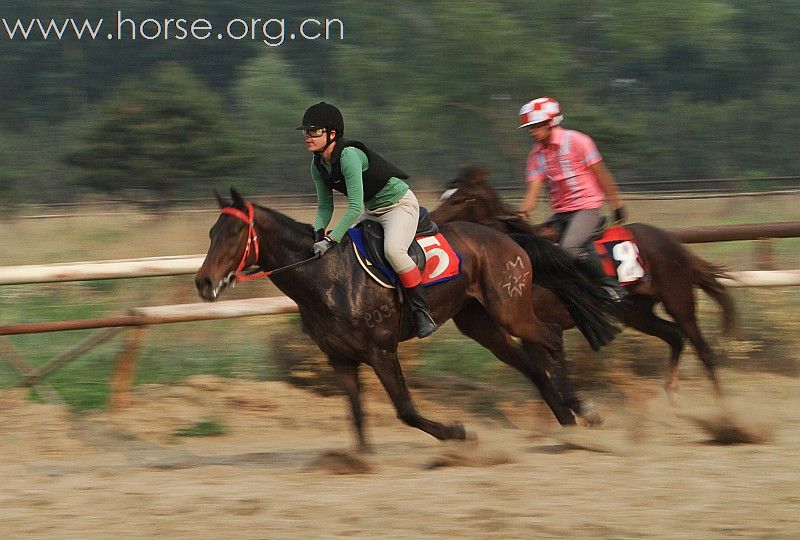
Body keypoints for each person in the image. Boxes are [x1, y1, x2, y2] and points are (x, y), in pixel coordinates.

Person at [298, 102, 438, 338]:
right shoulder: (317, 165)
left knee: (394, 251)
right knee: (346, 251)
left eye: (314, 131)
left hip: (399, 206)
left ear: (332, 134)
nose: (307, 137)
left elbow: (353, 208)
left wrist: (331, 239)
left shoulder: (348, 156)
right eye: (306, 132)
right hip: (372, 210)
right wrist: (316, 233)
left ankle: (421, 313)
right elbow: (324, 207)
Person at [516, 96, 628, 301]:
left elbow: (602, 175)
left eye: (536, 126)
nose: (532, 131)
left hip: (587, 208)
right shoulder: (535, 155)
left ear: (551, 123)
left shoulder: (578, 141)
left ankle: (612, 287)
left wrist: (616, 205)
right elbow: (532, 194)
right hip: (561, 213)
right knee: (536, 243)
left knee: (569, 248)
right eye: (529, 128)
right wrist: (517, 214)